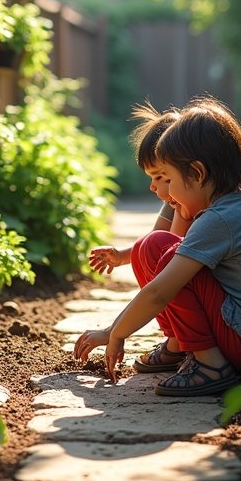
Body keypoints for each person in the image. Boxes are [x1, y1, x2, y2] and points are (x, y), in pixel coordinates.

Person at [74, 96, 241, 396]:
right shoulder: (239, 200)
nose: (166, 192)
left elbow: (159, 291)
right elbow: (160, 247)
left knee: (170, 259)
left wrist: (115, 333)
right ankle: (182, 346)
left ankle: (211, 365)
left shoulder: (220, 219)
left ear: (198, 173)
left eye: (169, 178)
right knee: (155, 245)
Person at [87, 101, 193, 374]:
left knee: (158, 258)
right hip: (187, 281)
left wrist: (115, 331)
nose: (153, 186)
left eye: (161, 177)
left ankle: (181, 342)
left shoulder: (193, 206)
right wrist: (122, 256)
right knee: (149, 250)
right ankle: (176, 339)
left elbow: (168, 263)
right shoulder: (174, 202)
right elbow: (156, 242)